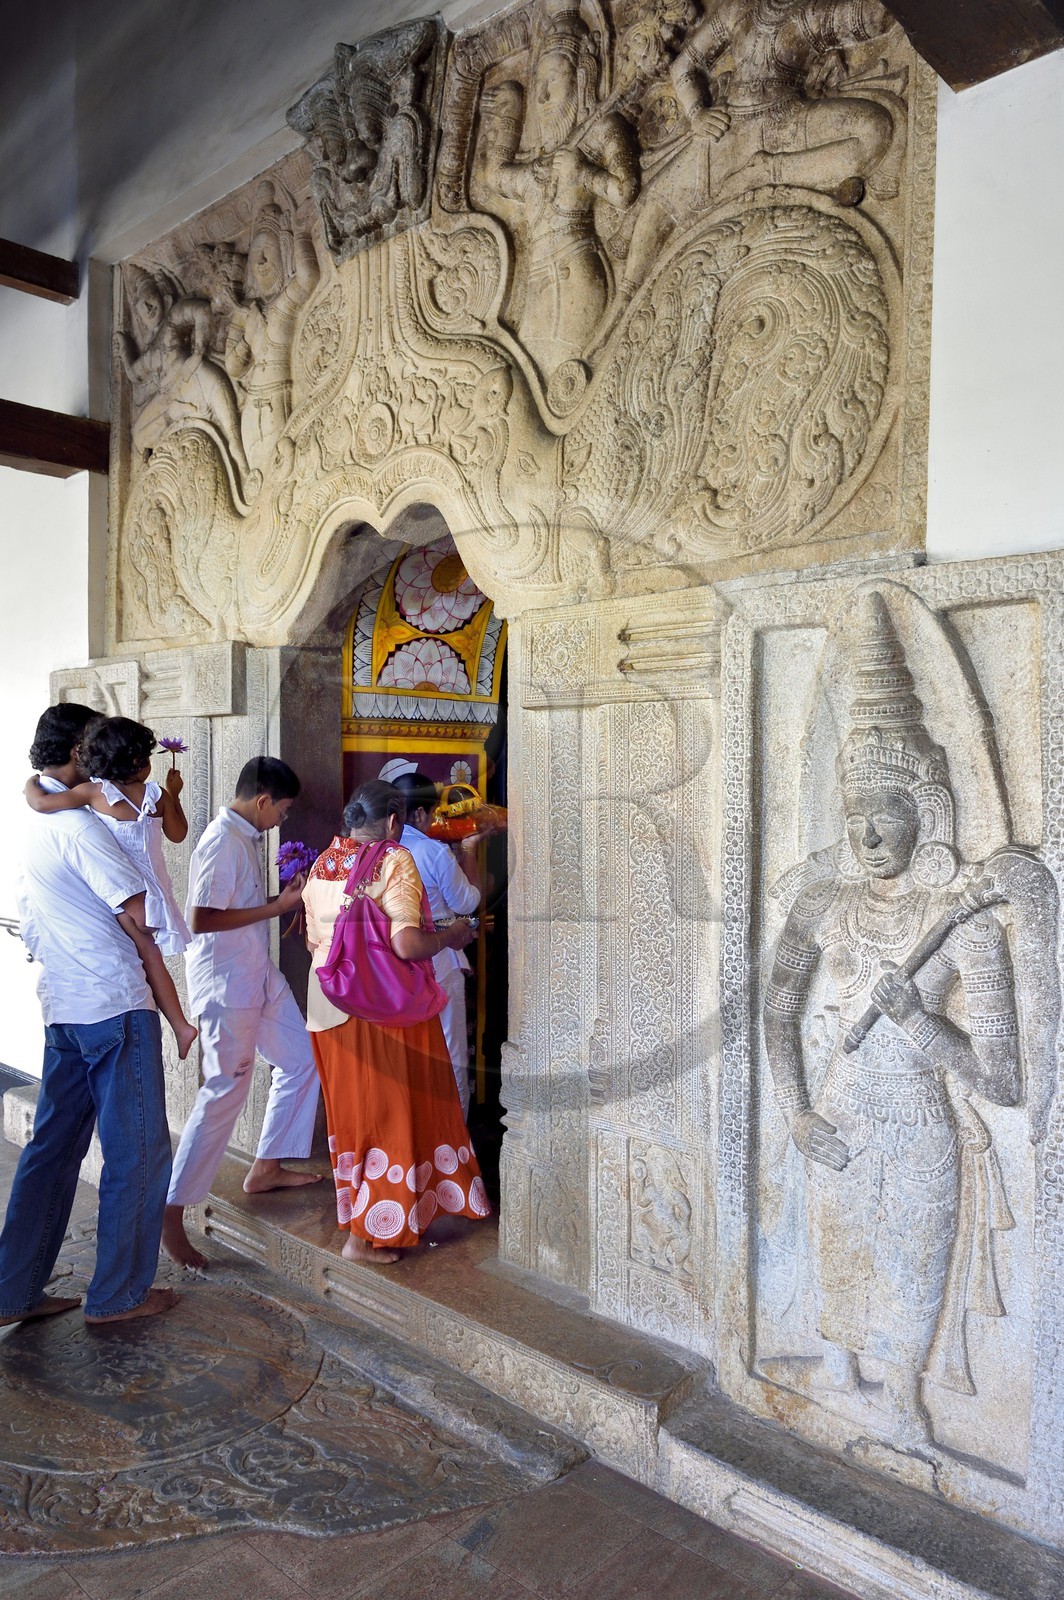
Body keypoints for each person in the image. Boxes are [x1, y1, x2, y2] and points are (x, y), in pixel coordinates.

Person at [0, 703, 177, 1327]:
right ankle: (119, 1296)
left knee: (53, 1148)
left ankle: (12, 1291)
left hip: (64, 1007)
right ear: (79, 754)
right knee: (138, 1153)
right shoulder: (82, 827)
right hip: (112, 1005)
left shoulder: (43, 815)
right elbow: (138, 922)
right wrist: (174, 1013)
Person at [303, 781, 491, 1265]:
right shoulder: (394, 859)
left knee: (354, 1118)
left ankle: (368, 1221)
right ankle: (366, 1236)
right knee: (392, 1115)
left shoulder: (325, 861)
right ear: (393, 822)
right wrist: (450, 936)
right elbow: (407, 945)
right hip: (384, 1009)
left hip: (328, 1005)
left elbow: (311, 940)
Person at [161, 757, 322, 1270]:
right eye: (283, 810)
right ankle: (171, 1213)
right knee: (222, 1094)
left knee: (302, 1059)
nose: (283, 820)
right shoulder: (220, 841)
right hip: (225, 984)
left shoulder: (244, 836)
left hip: (257, 972)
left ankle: (266, 1166)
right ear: (262, 800)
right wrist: (276, 909)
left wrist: (282, 900)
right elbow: (201, 918)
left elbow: (237, 908)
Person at [25, 714, 197, 1060]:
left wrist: (31, 782)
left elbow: (43, 804)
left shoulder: (94, 792)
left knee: (147, 955)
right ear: (138, 762)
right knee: (152, 955)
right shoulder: (156, 794)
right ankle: (180, 1024)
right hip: (154, 891)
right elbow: (179, 835)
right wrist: (174, 796)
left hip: (124, 893)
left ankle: (180, 1025)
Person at [393, 770, 482, 1117]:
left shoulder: (380, 848)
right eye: (431, 813)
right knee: (451, 1053)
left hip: (395, 965)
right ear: (418, 814)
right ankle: (456, 1143)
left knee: (409, 1056)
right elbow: (467, 901)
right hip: (438, 961)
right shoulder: (432, 852)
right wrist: (470, 851)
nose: (434, 820)